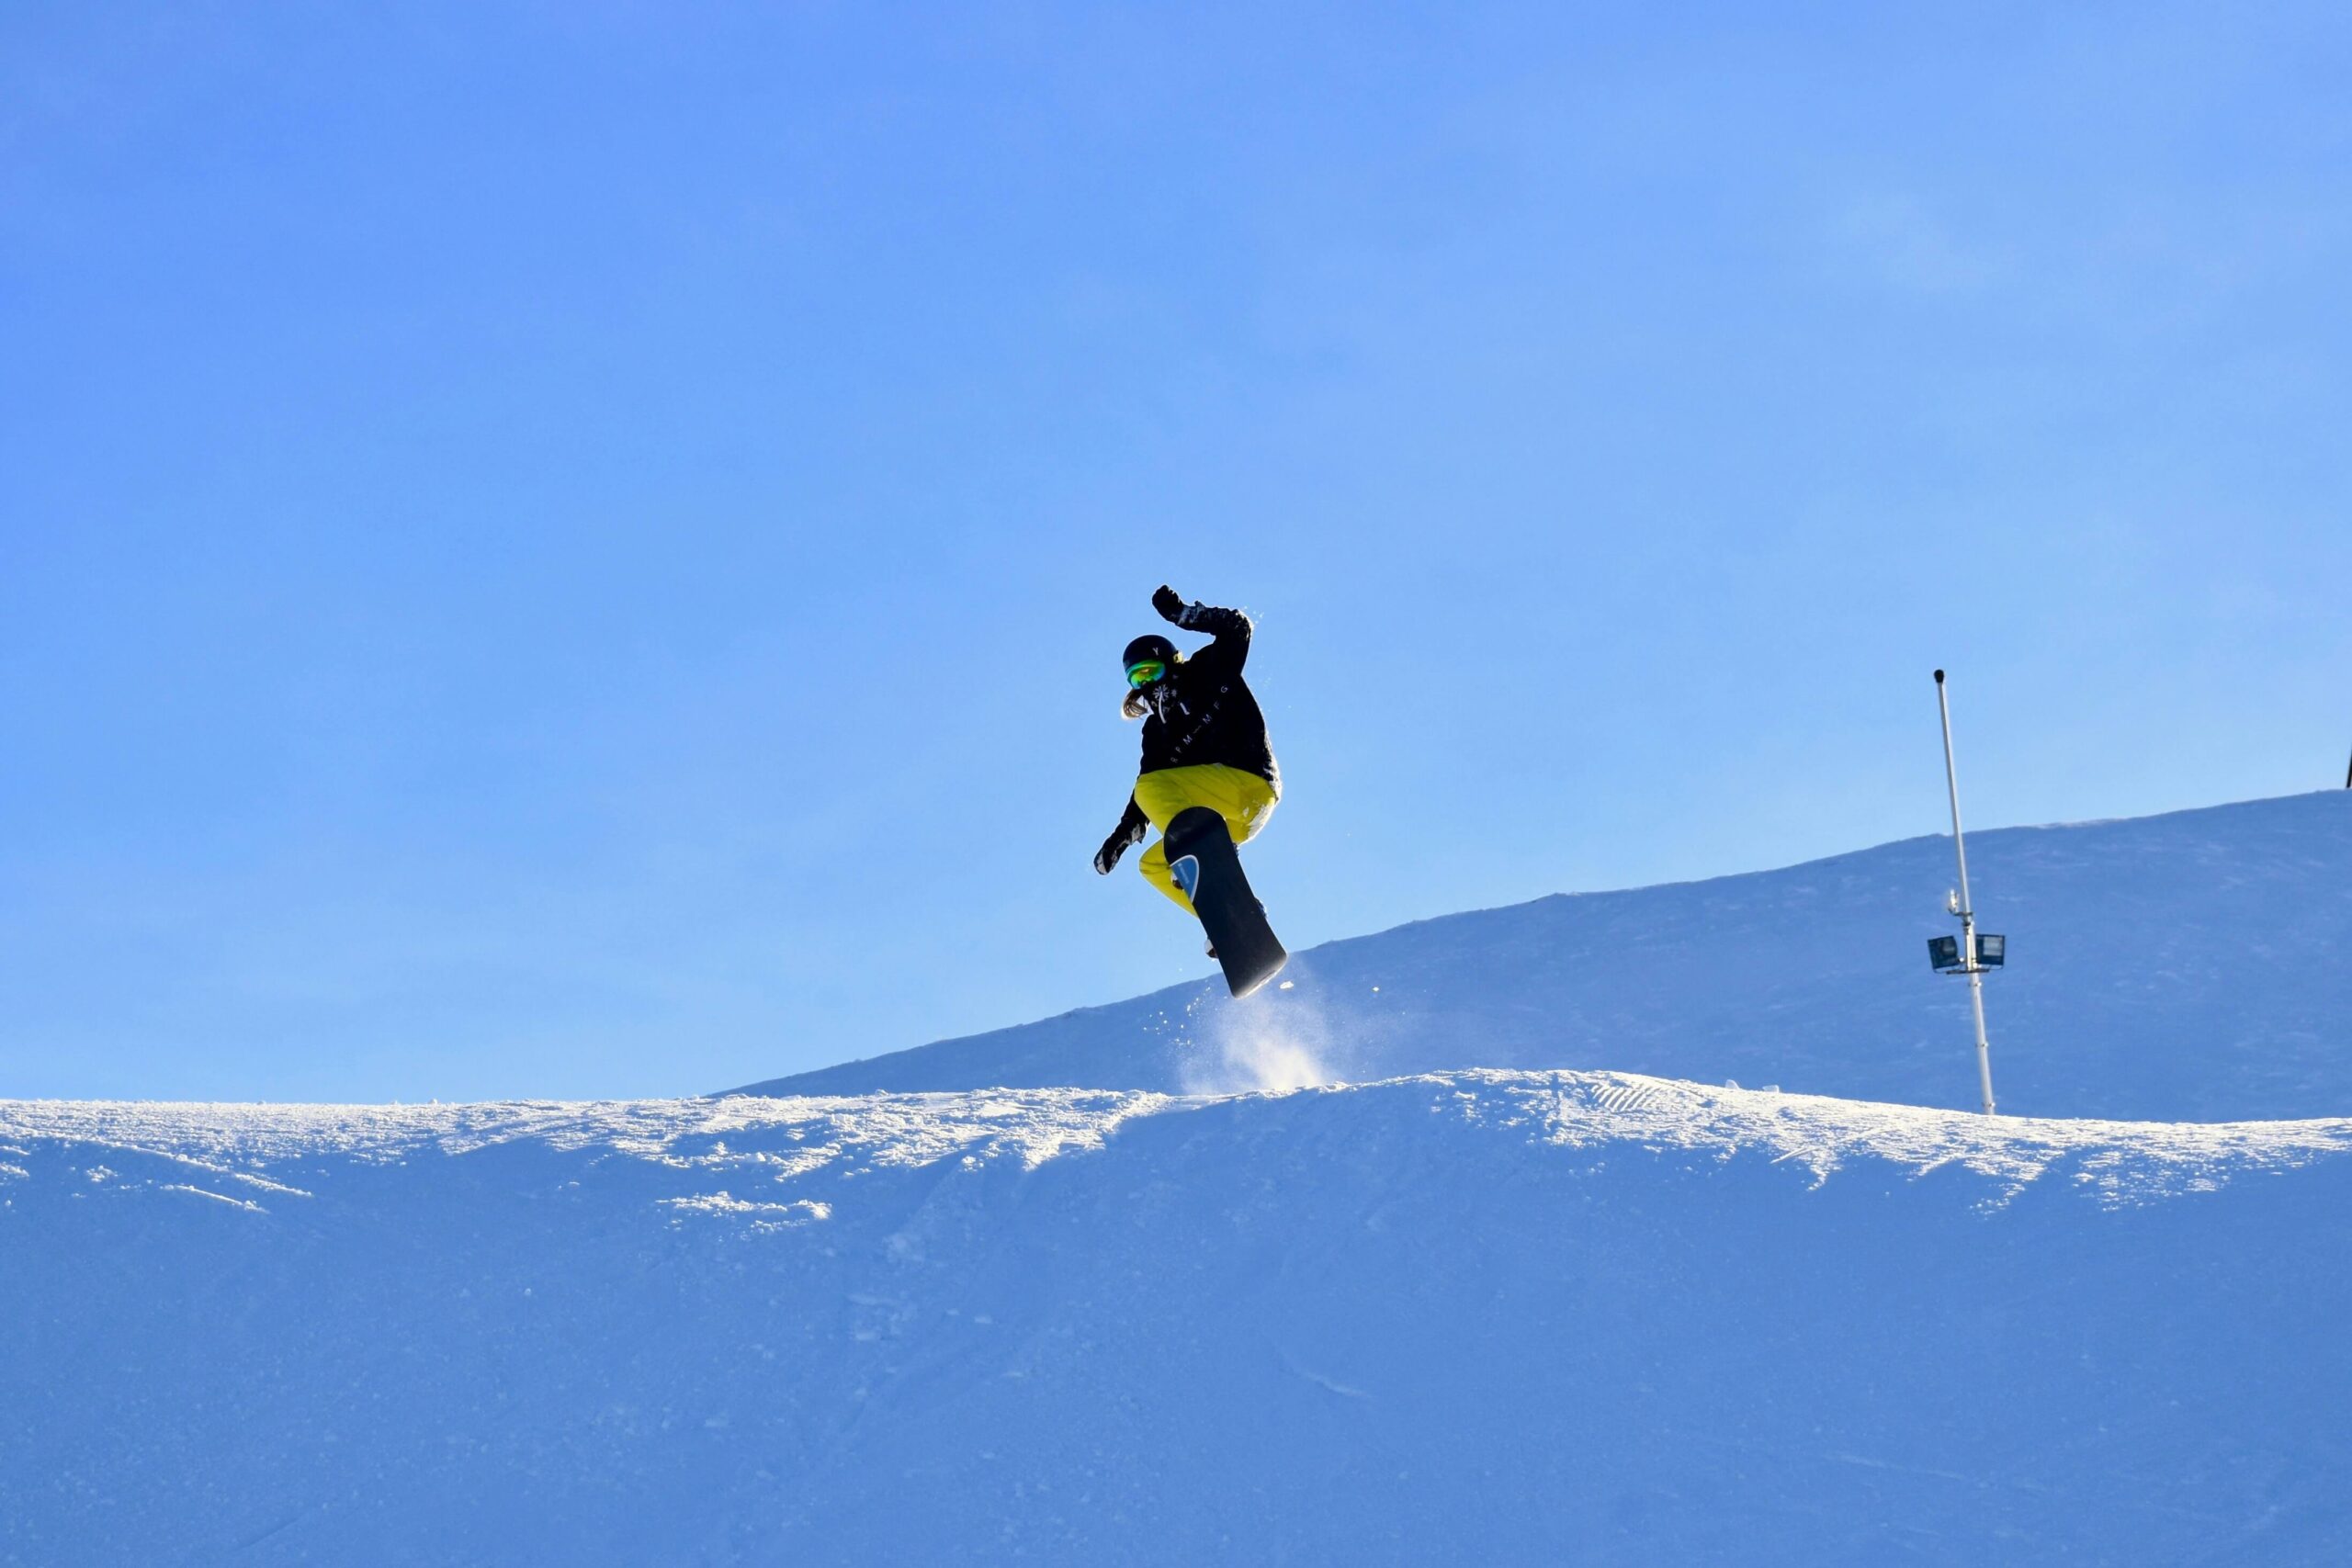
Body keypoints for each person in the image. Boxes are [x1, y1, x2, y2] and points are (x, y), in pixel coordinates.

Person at [1093, 587, 1281, 929]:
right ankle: (1233, 921)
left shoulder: (1207, 671)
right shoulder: (1157, 730)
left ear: (1170, 663)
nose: (1147, 684)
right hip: (1230, 821)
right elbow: (1146, 795)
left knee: (1150, 789)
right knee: (1153, 865)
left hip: (1251, 785)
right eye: (1138, 678)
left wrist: (1182, 615)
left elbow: (1238, 629)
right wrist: (1121, 837)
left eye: (1151, 671)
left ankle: (1200, 853)